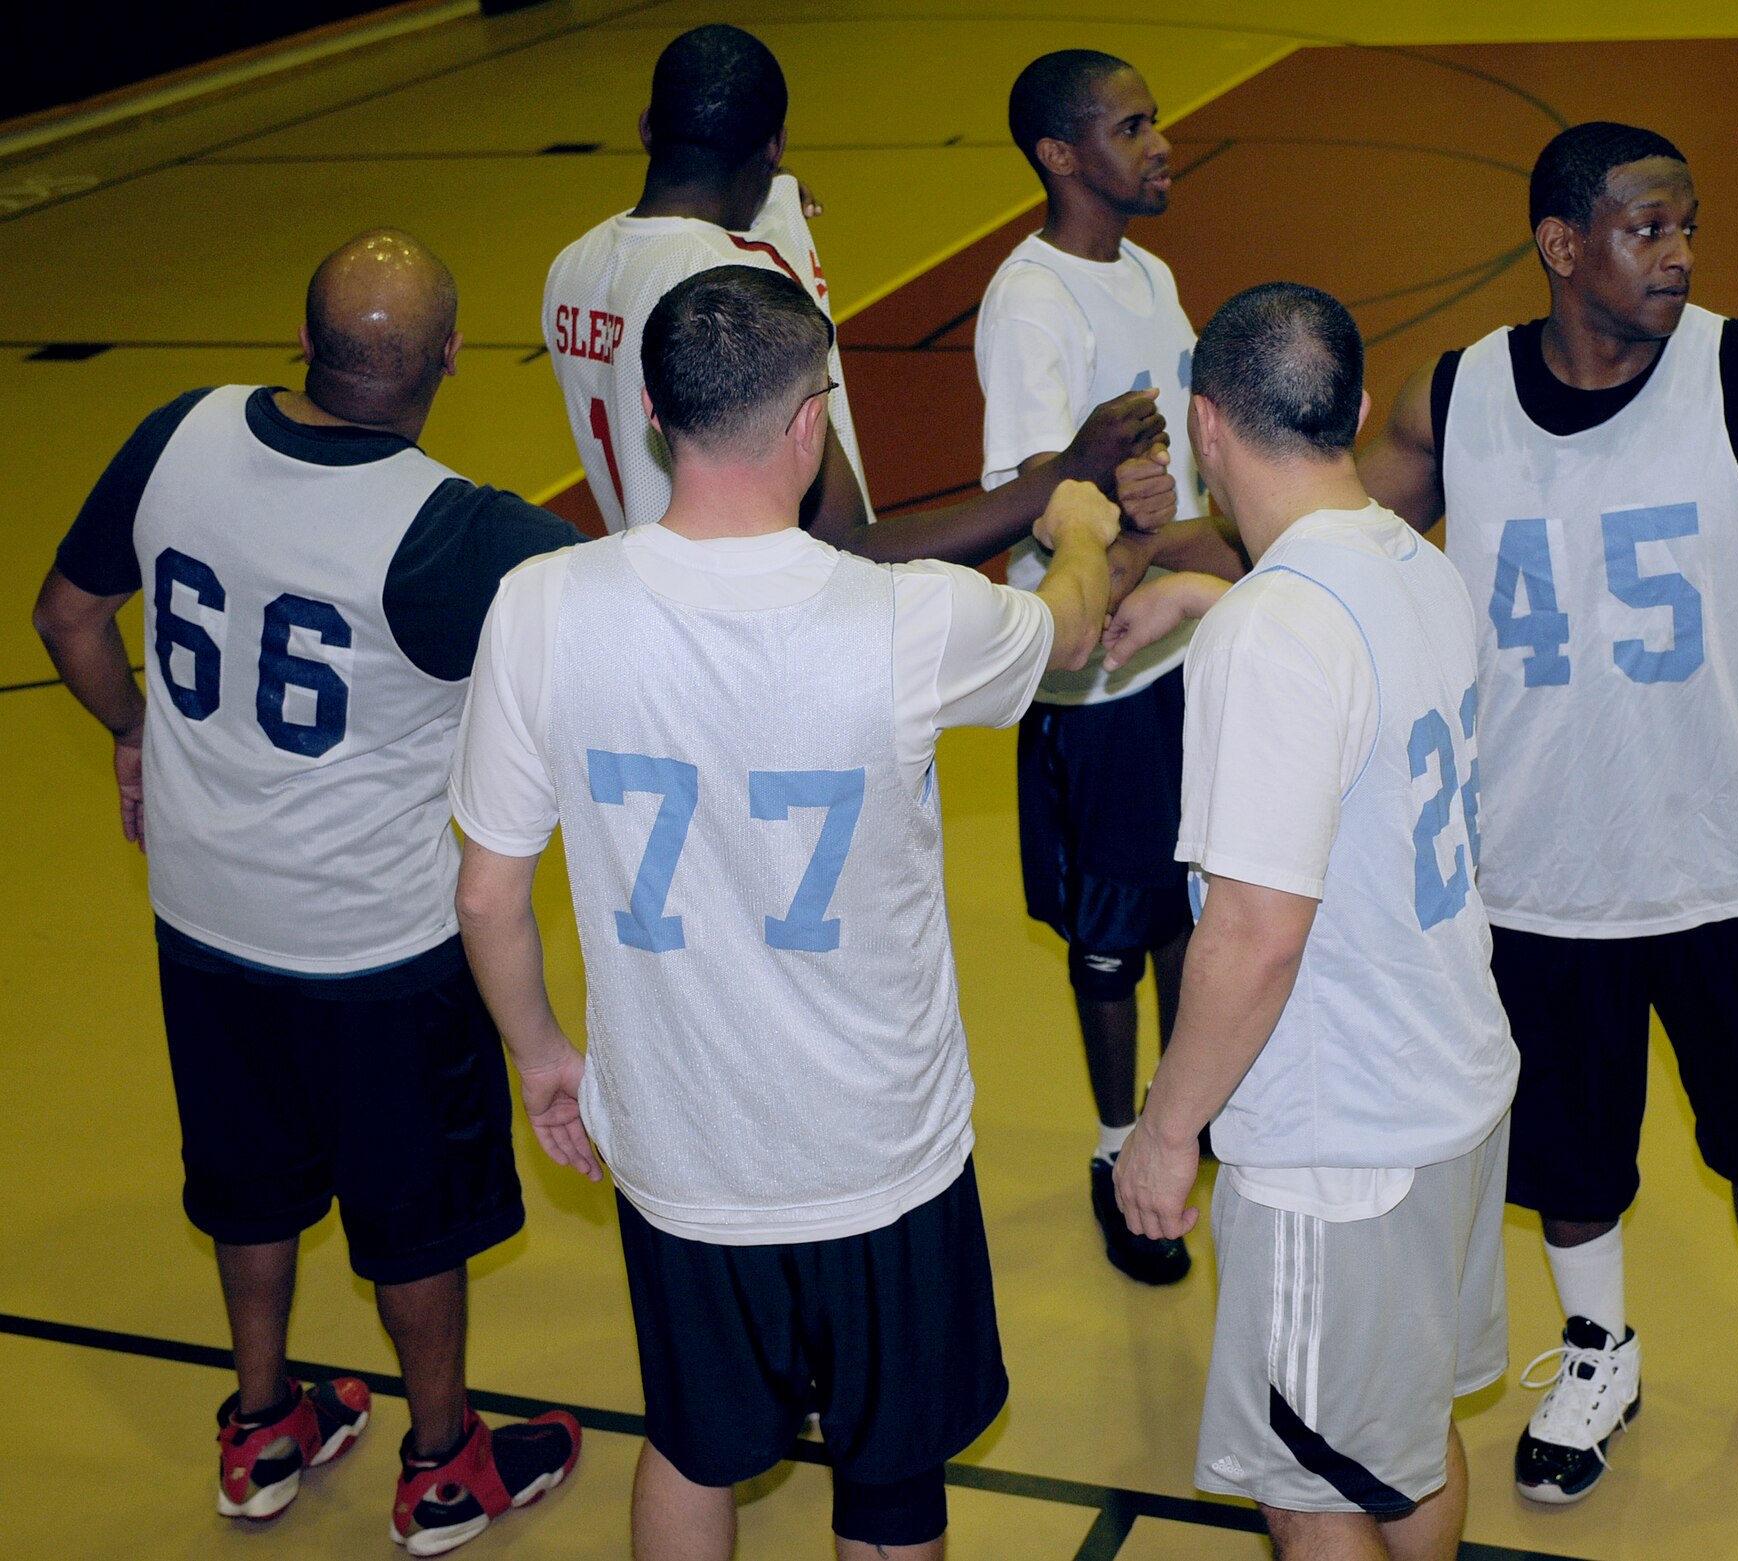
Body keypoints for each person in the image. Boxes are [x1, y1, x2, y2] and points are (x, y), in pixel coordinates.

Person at [451, 264, 1125, 1561]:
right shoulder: (912, 616)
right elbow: (1072, 630)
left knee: (698, 1445)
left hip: (681, 1153)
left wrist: (545, 1066)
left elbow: (487, 892)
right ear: (810, 421)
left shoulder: (544, 606)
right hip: (880, 1155)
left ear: (652, 409)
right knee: (889, 1484)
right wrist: (1082, 528)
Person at [1359, 121, 1738, 1500]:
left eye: (1689, 224)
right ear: (1562, 246)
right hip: (1536, 868)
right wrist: (1163, 543)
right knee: (1573, 1150)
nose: (1679, 252)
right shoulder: (1452, 400)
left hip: (1735, 854)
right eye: (1646, 227)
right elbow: (1328, 535)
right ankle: (1596, 1348)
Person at [30, 230, 584, 1554]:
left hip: (206, 919)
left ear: (304, 344)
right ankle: (444, 1461)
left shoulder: (183, 431)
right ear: (450, 358)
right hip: (375, 951)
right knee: (415, 1214)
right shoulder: (455, 531)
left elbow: (64, 614)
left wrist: (136, 730)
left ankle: (263, 1420)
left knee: (247, 1176)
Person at [1105, 282, 1517, 1561]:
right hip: (1446, 1091)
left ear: (1203, 423)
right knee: (1404, 1437)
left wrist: (1165, 1132)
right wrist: (1202, 602)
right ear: (1347, 409)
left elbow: (1251, 935)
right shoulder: (1409, 560)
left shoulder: (1277, 632)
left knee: (1309, 1485)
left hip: (1336, 1145)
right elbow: (1354, 702)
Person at [975, 48, 1246, 1285]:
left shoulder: (1149, 273)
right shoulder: (1029, 301)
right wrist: (1124, 519)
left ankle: (1184, 1113)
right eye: (1131, 126)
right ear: (1059, 154)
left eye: (1156, 117)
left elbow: (1175, 460)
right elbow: (1031, 495)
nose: (1160, 142)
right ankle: (1108, 1144)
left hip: (1183, 646)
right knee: (1105, 935)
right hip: (1093, 681)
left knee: (1190, 897)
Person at [544, 22, 1164, 555]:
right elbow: (845, 547)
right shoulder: (734, 294)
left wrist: (774, 182)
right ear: (775, 143)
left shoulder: (571, 268)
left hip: (657, 598)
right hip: (760, 637)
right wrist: (1068, 472)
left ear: (648, 129)